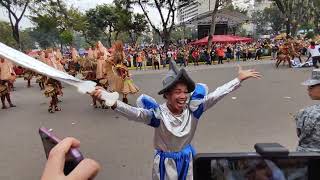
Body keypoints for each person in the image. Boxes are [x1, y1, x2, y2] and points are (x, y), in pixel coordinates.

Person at [91, 61, 261, 180]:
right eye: (177, 92)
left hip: (188, 157)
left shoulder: (194, 109)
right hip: (166, 163)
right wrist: (109, 100)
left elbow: (216, 94)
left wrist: (238, 79)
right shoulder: (157, 115)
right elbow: (134, 113)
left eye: (185, 92)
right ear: (167, 95)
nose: (182, 96)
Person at [295, 69, 320, 152]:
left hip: (308, 160)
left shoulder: (305, 113)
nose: (308, 89)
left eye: (312, 86)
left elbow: (300, 135)